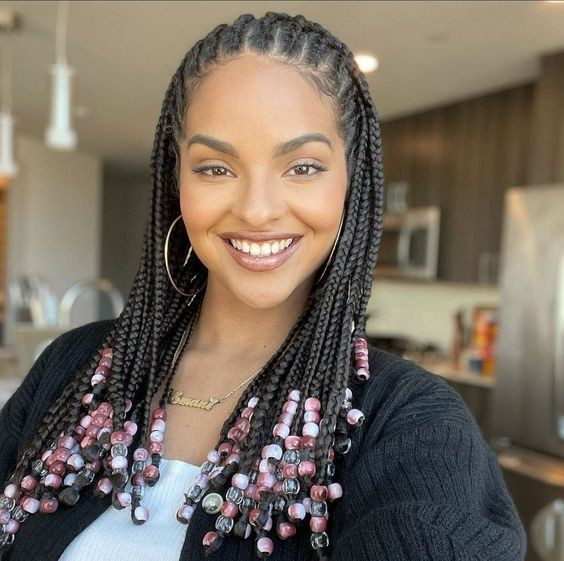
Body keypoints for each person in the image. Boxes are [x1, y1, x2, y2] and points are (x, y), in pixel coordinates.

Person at [0, 11, 526, 561]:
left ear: (352, 181)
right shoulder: (73, 367)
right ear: (175, 178)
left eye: (302, 167)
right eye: (215, 168)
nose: (256, 210)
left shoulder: (410, 422)